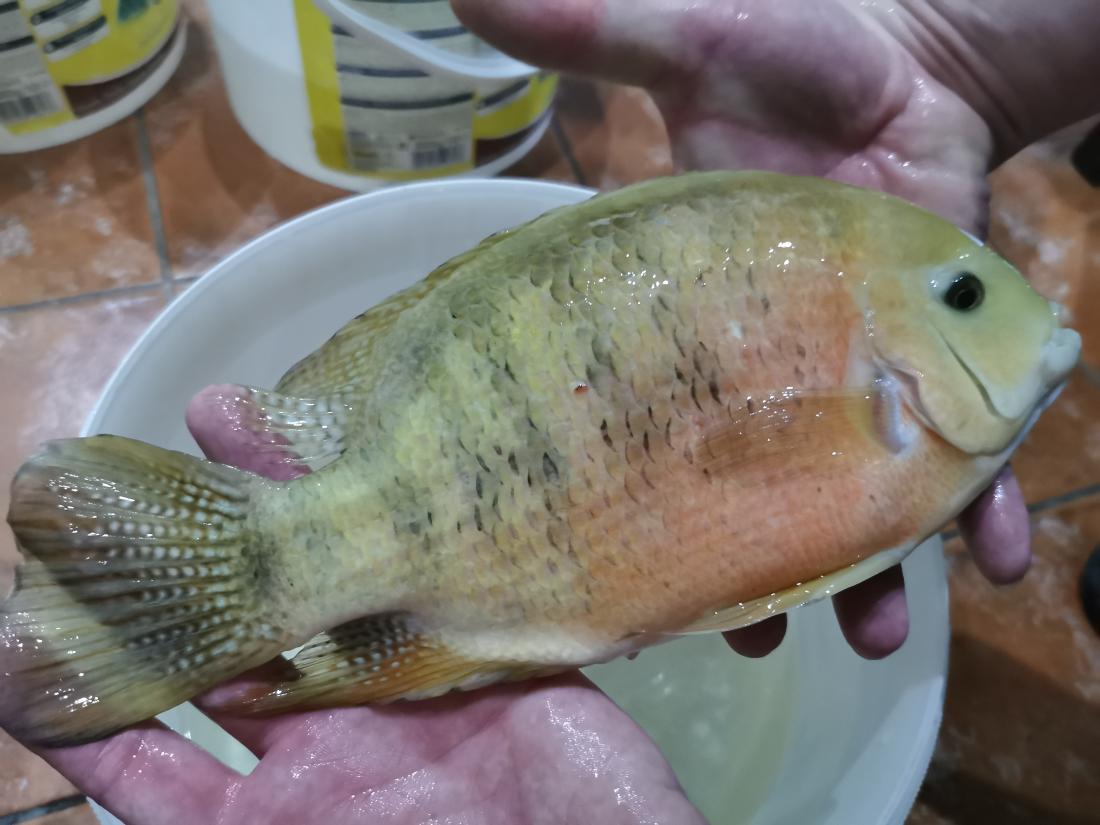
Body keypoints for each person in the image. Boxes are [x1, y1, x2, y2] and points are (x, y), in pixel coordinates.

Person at [19, 2, 1100, 822]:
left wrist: (947, 45)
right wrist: (944, 41)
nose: (1021, 308)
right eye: (962, 294)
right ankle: (259, 567)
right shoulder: (893, 418)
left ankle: (247, 575)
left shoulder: (887, 387)